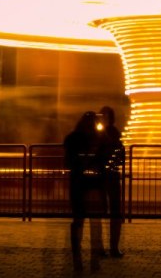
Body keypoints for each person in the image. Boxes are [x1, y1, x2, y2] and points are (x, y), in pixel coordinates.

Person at [63, 110, 107, 273]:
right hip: (94, 183)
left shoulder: (72, 138)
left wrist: (79, 165)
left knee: (78, 221)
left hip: (78, 183)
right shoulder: (101, 139)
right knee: (95, 222)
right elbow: (108, 159)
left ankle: (77, 260)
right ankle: (94, 261)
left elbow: (67, 162)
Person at [93, 105, 125, 259]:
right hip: (106, 175)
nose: (103, 119)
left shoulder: (109, 134)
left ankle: (110, 247)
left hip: (106, 175)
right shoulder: (111, 134)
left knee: (111, 212)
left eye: (105, 116)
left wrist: (104, 165)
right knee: (106, 211)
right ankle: (107, 247)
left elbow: (120, 155)